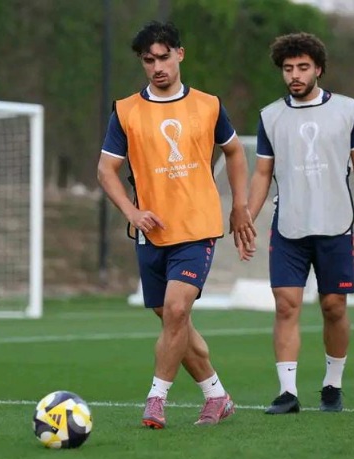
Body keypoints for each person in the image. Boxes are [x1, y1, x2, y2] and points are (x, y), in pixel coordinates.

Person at [97, 20, 256, 429]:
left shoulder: (209, 105)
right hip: (151, 233)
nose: (157, 67)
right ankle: (216, 396)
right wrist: (131, 212)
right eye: (148, 60)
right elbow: (105, 170)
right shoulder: (126, 111)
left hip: (197, 228)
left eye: (164, 58)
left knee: (177, 309)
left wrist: (239, 205)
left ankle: (156, 400)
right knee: (174, 320)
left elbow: (235, 152)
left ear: (180, 54)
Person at [247, 32, 354, 415]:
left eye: (303, 67)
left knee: (334, 307)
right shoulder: (271, 116)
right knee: (286, 306)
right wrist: (246, 219)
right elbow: (262, 174)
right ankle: (287, 393)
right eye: (288, 68)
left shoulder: (347, 110)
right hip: (289, 227)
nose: (295, 75)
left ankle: (332, 386)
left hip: (336, 225)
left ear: (318, 69)